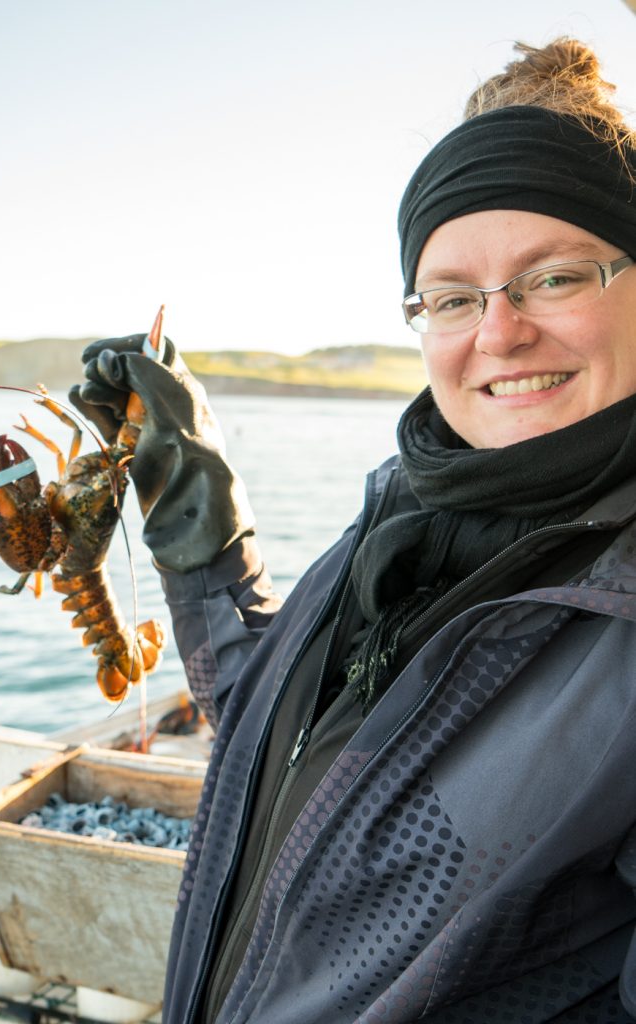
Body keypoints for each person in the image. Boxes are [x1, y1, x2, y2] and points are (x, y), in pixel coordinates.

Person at [70, 37, 636, 1024]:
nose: (497, 332)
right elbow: (284, 732)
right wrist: (190, 509)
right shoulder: (402, 525)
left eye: (554, 277)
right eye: (454, 296)